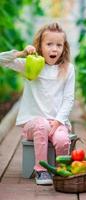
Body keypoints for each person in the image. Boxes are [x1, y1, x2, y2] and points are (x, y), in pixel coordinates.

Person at [0, 23, 75, 185]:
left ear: (64, 48)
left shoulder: (68, 69)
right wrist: (22, 53)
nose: (54, 49)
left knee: (62, 139)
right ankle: (41, 171)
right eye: (49, 44)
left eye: (59, 45)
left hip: (56, 122)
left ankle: (62, 170)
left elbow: (68, 99)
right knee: (41, 124)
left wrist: (58, 121)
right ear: (39, 46)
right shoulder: (31, 65)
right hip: (33, 124)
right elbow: (1, 60)